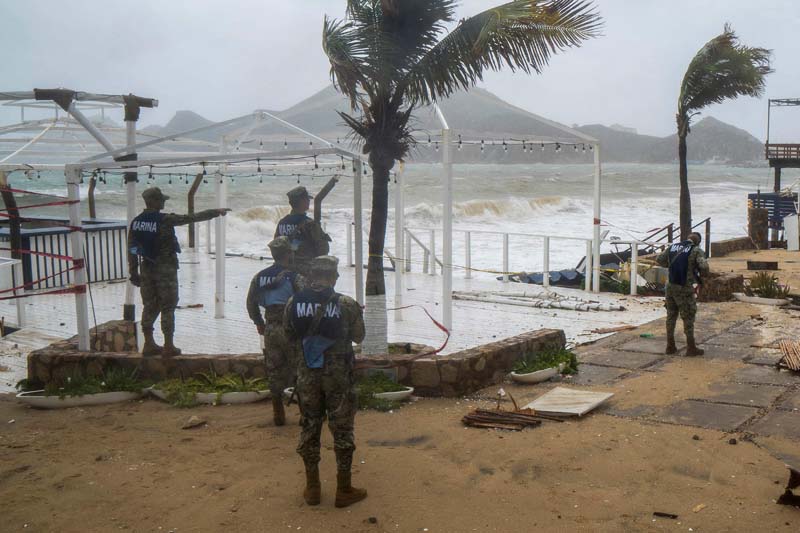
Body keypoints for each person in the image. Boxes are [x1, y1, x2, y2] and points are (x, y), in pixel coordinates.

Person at [283, 255, 367, 508]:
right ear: (334, 277)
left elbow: (289, 335)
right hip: (339, 378)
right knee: (342, 429)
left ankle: (313, 488)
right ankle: (344, 489)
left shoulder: (293, 302)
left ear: (311, 276)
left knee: (310, 426)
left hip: (307, 375)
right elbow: (359, 336)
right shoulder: (346, 304)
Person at [128, 187, 230, 356]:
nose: (163, 202)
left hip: (146, 268)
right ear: (153, 201)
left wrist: (133, 272)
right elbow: (191, 218)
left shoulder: (136, 222)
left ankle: (148, 343)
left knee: (149, 305)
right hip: (165, 269)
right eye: (161, 199)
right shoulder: (165, 219)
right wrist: (215, 212)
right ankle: (168, 345)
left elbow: (132, 249)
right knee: (168, 305)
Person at [245, 236, 305, 426]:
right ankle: (305, 413)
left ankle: (278, 413)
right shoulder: (294, 277)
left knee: (274, 370)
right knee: (300, 369)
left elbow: (250, 303)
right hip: (291, 329)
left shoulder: (259, 277)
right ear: (287, 254)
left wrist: (259, 322)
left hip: (270, 328)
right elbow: (304, 301)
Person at [656, 232, 710, 356]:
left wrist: (671, 265)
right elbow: (704, 267)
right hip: (684, 287)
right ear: (698, 242)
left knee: (671, 315)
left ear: (687, 238)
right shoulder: (696, 250)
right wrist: (700, 273)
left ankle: (670, 346)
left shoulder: (673, 247)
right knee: (688, 316)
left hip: (670, 286)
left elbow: (659, 259)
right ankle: (691, 347)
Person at [274, 186, 331, 275]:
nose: (309, 201)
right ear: (302, 201)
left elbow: (276, 246)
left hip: (286, 269)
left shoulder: (282, 223)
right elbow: (323, 249)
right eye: (307, 199)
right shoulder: (309, 223)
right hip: (306, 271)